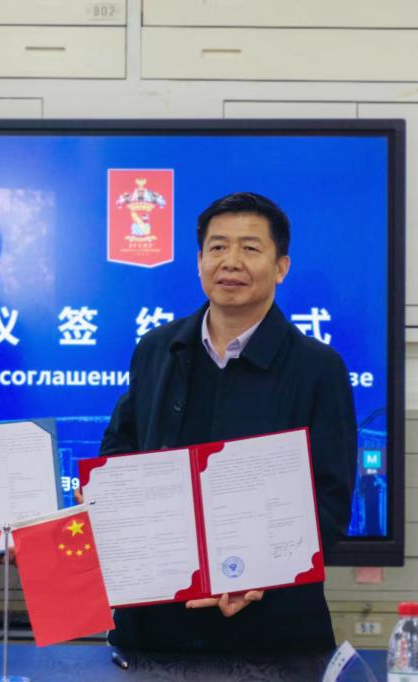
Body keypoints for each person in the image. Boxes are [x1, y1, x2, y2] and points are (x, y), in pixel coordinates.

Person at [98, 191, 356, 652]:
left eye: (250, 248)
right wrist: (108, 496)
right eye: (217, 247)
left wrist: (260, 572)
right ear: (200, 261)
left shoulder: (318, 367)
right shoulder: (158, 349)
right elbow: (121, 450)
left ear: (281, 267)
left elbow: (330, 503)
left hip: (272, 627)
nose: (230, 262)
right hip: (155, 623)